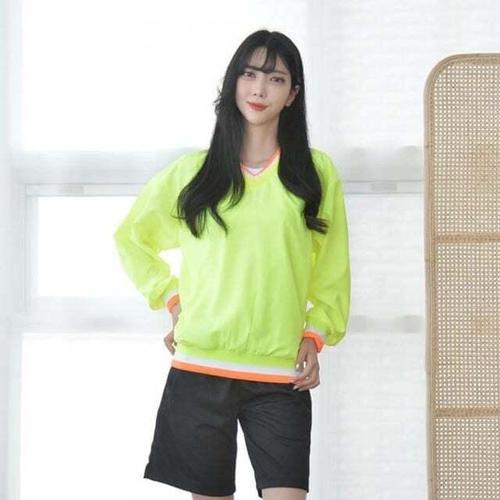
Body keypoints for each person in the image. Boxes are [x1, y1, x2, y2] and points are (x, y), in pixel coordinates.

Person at [113, 29, 351, 500]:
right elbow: (132, 238)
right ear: (233, 82)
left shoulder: (314, 173)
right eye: (250, 74)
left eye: (276, 79)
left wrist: (316, 333)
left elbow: (332, 267)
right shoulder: (193, 174)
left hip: (279, 373)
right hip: (200, 368)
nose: (260, 89)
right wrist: (173, 299)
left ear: (293, 94)